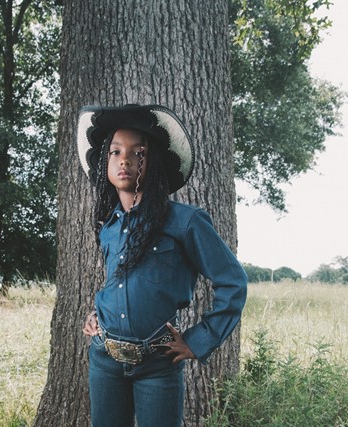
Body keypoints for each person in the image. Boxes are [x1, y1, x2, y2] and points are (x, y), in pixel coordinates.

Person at [78, 104, 248, 427]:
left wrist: (198, 340)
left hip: (158, 364)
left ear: (152, 160)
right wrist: (98, 312)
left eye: (137, 153)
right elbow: (117, 281)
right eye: (115, 152)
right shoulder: (108, 226)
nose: (125, 160)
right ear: (105, 162)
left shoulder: (185, 222)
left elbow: (233, 282)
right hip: (104, 359)